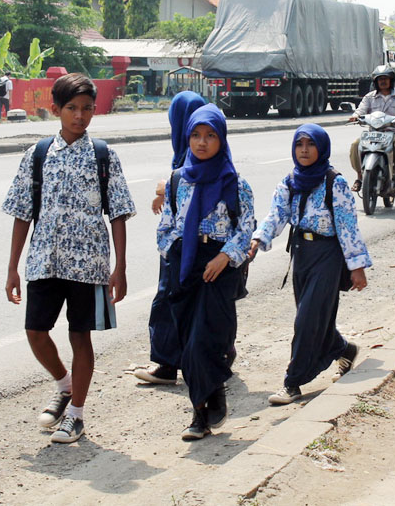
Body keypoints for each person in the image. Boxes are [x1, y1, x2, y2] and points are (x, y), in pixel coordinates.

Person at [2, 73, 136, 444]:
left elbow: (119, 213)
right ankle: (64, 384)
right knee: (35, 331)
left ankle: (75, 414)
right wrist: (13, 267)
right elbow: (22, 212)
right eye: (72, 109)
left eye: (87, 109)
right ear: (55, 109)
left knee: (81, 336)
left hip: (89, 266)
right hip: (44, 261)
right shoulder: (38, 154)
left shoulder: (103, 156)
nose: (80, 116)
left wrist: (120, 267)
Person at [248, 125, 370, 406]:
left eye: (310, 144)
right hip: (301, 253)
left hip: (327, 255)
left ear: (321, 148)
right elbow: (276, 215)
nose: (304, 149)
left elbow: (348, 226)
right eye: (299, 144)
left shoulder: (334, 182)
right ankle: (343, 349)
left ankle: (292, 382)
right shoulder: (290, 181)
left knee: (306, 321)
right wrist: (258, 240)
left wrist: (357, 266)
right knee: (313, 316)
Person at [155, 104, 255, 441]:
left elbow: (246, 229)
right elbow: (167, 224)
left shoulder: (235, 183)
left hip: (219, 265)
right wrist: (172, 251)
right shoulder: (178, 179)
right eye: (196, 135)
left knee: (205, 340)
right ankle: (209, 402)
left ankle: (199, 414)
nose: (201, 142)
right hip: (185, 264)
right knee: (187, 341)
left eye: (210, 136)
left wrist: (224, 257)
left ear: (221, 139)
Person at [136, 90, 208, 386]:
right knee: (202, 301)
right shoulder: (195, 149)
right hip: (197, 246)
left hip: (188, 246)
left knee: (169, 299)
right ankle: (216, 357)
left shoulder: (194, 151)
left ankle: (167, 365)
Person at [348, 65, 395, 192]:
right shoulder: (369, 97)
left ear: (391, 80)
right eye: (380, 79)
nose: (383, 81)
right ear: (376, 82)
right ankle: (360, 177)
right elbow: (361, 109)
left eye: (385, 78)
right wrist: (355, 116)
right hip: (374, 133)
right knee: (355, 144)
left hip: (394, 133)